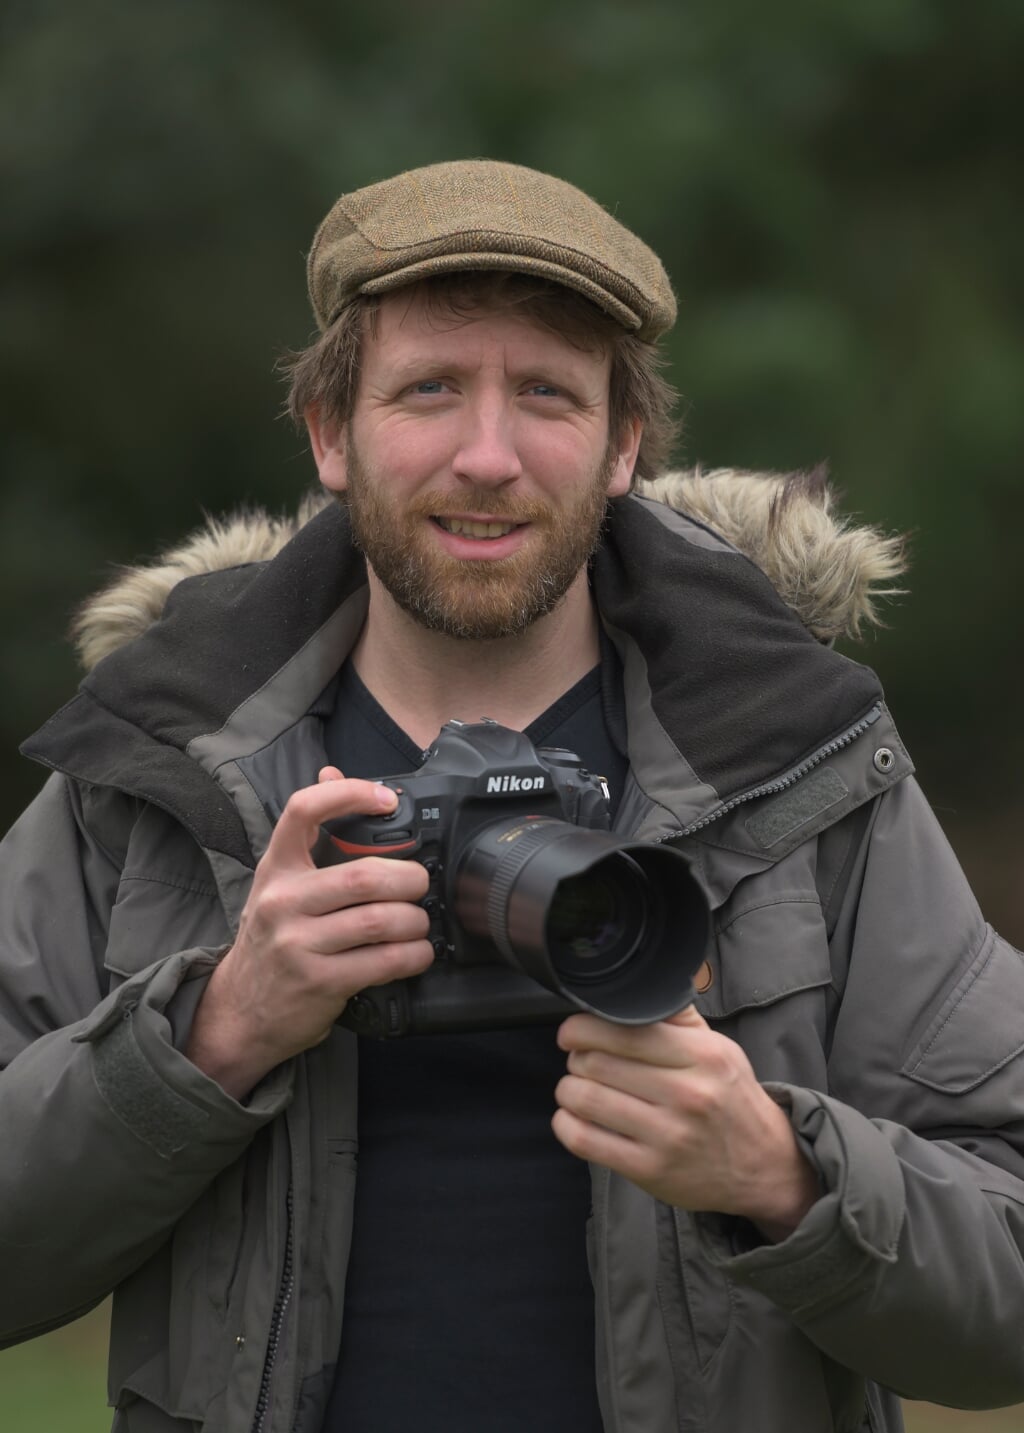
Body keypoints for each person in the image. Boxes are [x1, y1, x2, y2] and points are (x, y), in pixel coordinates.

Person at [2, 159, 1023, 1433]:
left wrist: (779, 1171)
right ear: (331, 432)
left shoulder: (795, 766)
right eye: (430, 388)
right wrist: (211, 1034)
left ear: (621, 444)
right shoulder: (161, 769)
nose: (487, 455)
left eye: (545, 392)